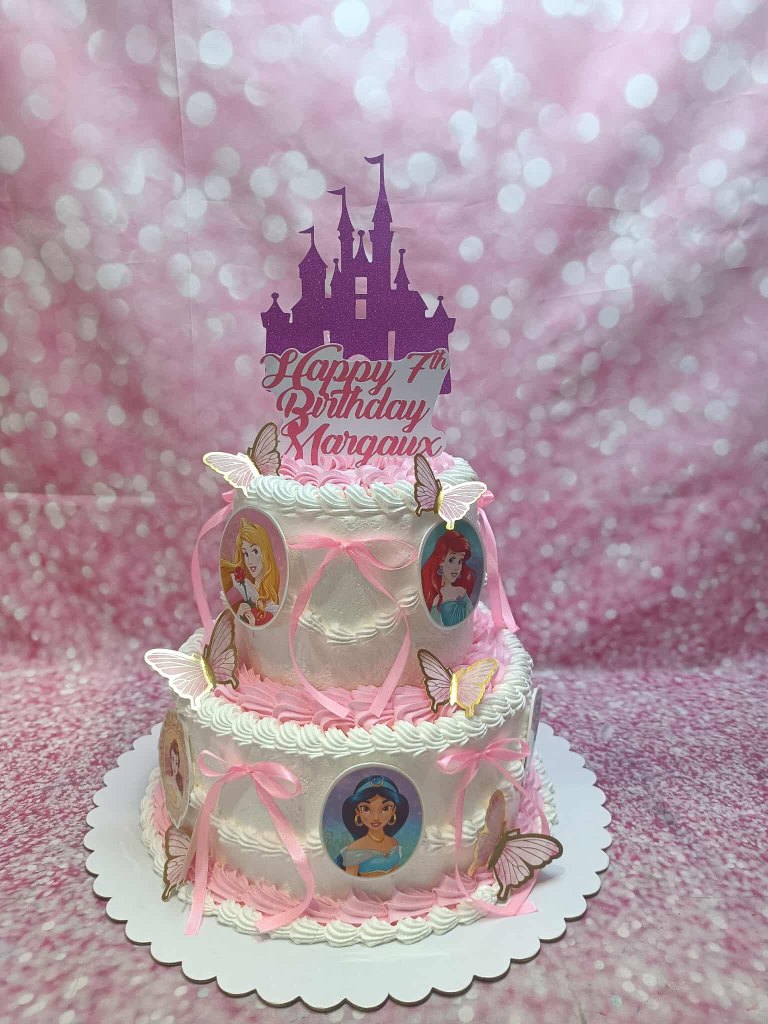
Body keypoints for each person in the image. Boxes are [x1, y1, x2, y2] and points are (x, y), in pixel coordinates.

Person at [336, 775, 410, 877]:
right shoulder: (354, 849)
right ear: (357, 811)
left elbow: (396, 874)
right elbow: (351, 881)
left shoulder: (393, 843)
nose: (376, 817)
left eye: (385, 808)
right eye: (366, 809)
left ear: (393, 810)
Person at [221, 518, 281, 626]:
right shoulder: (239, 586)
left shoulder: (273, 602)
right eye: (246, 554)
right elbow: (231, 621)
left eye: (255, 551)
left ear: (265, 552)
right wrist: (240, 615)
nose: (249, 561)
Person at [421, 529, 477, 627]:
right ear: (441, 561)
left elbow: (469, 620)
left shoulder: (461, 591)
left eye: (460, 561)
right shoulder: (437, 599)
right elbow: (436, 629)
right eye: (451, 560)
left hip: (465, 632)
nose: (457, 567)